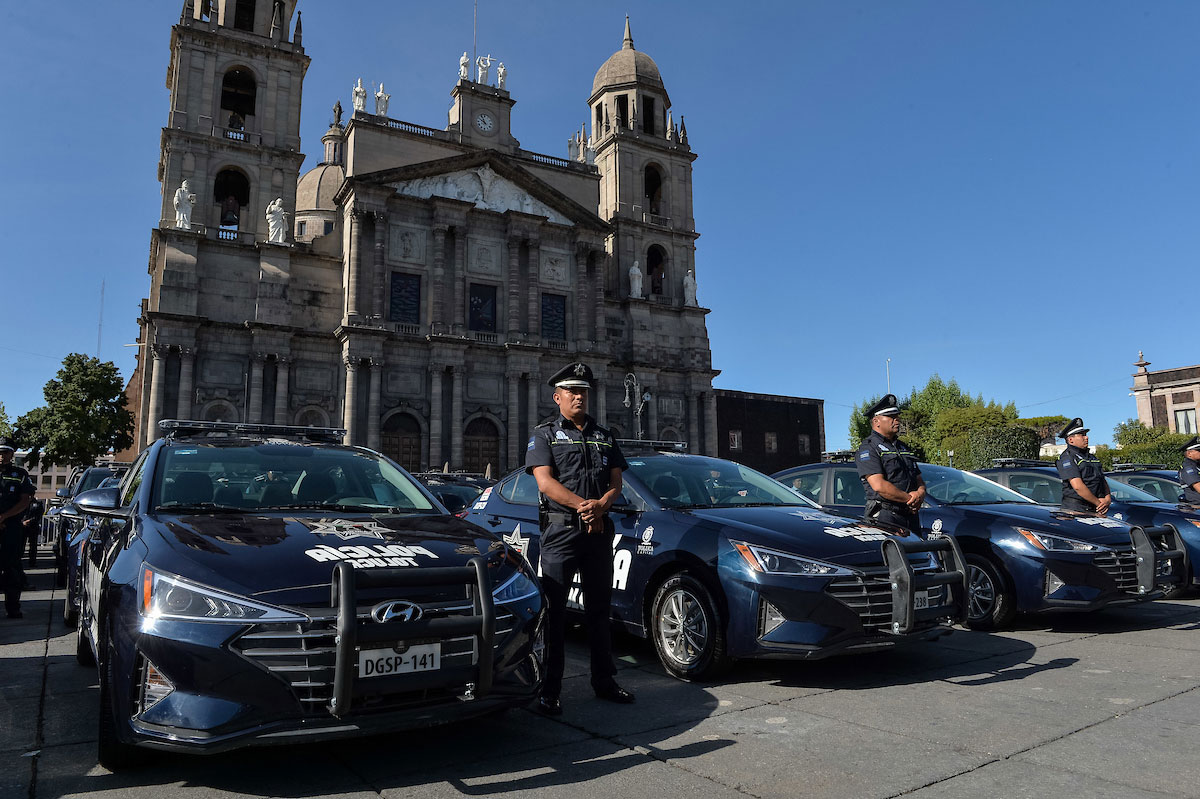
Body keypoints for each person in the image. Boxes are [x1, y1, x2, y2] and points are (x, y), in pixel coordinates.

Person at [526, 362, 634, 716]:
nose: (578, 396)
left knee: (600, 612)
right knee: (555, 613)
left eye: (583, 391)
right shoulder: (544, 435)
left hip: (597, 532)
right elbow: (544, 482)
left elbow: (616, 482)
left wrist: (602, 505)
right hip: (560, 532)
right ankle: (549, 690)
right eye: (571, 391)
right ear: (557, 397)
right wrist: (584, 506)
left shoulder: (605, 435)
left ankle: (604, 681)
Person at [855, 393, 926, 533]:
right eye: (891, 417)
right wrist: (910, 499)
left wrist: (920, 494)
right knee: (891, 555)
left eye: (897, 416)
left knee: (918, 554)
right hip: (885, 517)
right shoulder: (869, 448)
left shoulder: (903, 447)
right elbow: (879, 485)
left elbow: (919, 479)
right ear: (877, 421)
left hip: (910, 515)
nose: (897, 420)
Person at [0, 438, 36, 618]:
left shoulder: (19, 474)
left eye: (5, 452)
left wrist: (4, 517)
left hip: (11, 527)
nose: (1, 456)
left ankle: (13, 608)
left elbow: (25, 500)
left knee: (12, 567)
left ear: (11, 454)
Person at [1055, 417, 1111, 514]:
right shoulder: (1067, 458)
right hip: (1076, 509)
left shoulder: (1091, 457)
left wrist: (1107, 499)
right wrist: (1098, 503)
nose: (1086, 437)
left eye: (1086, 435)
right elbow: (1077, 486)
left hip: (1095, 508)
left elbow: (1102, 479)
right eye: (1082, 435)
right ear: (1071, 440)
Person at [22, 497, 44, 570]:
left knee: (33, 546)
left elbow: (38, 515)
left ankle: (32, 562)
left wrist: (30, 521)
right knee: (20, 545)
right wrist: (22, 522)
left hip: (33, 527)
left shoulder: (37, 504)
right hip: (22, 526)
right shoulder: (21, 502)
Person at [1179, 437, 1200, 504]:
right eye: (1199, 451)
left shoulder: (1196, 466)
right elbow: (1198, 487)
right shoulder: (1189, 468)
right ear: (1189, 453)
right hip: (1197, 507)